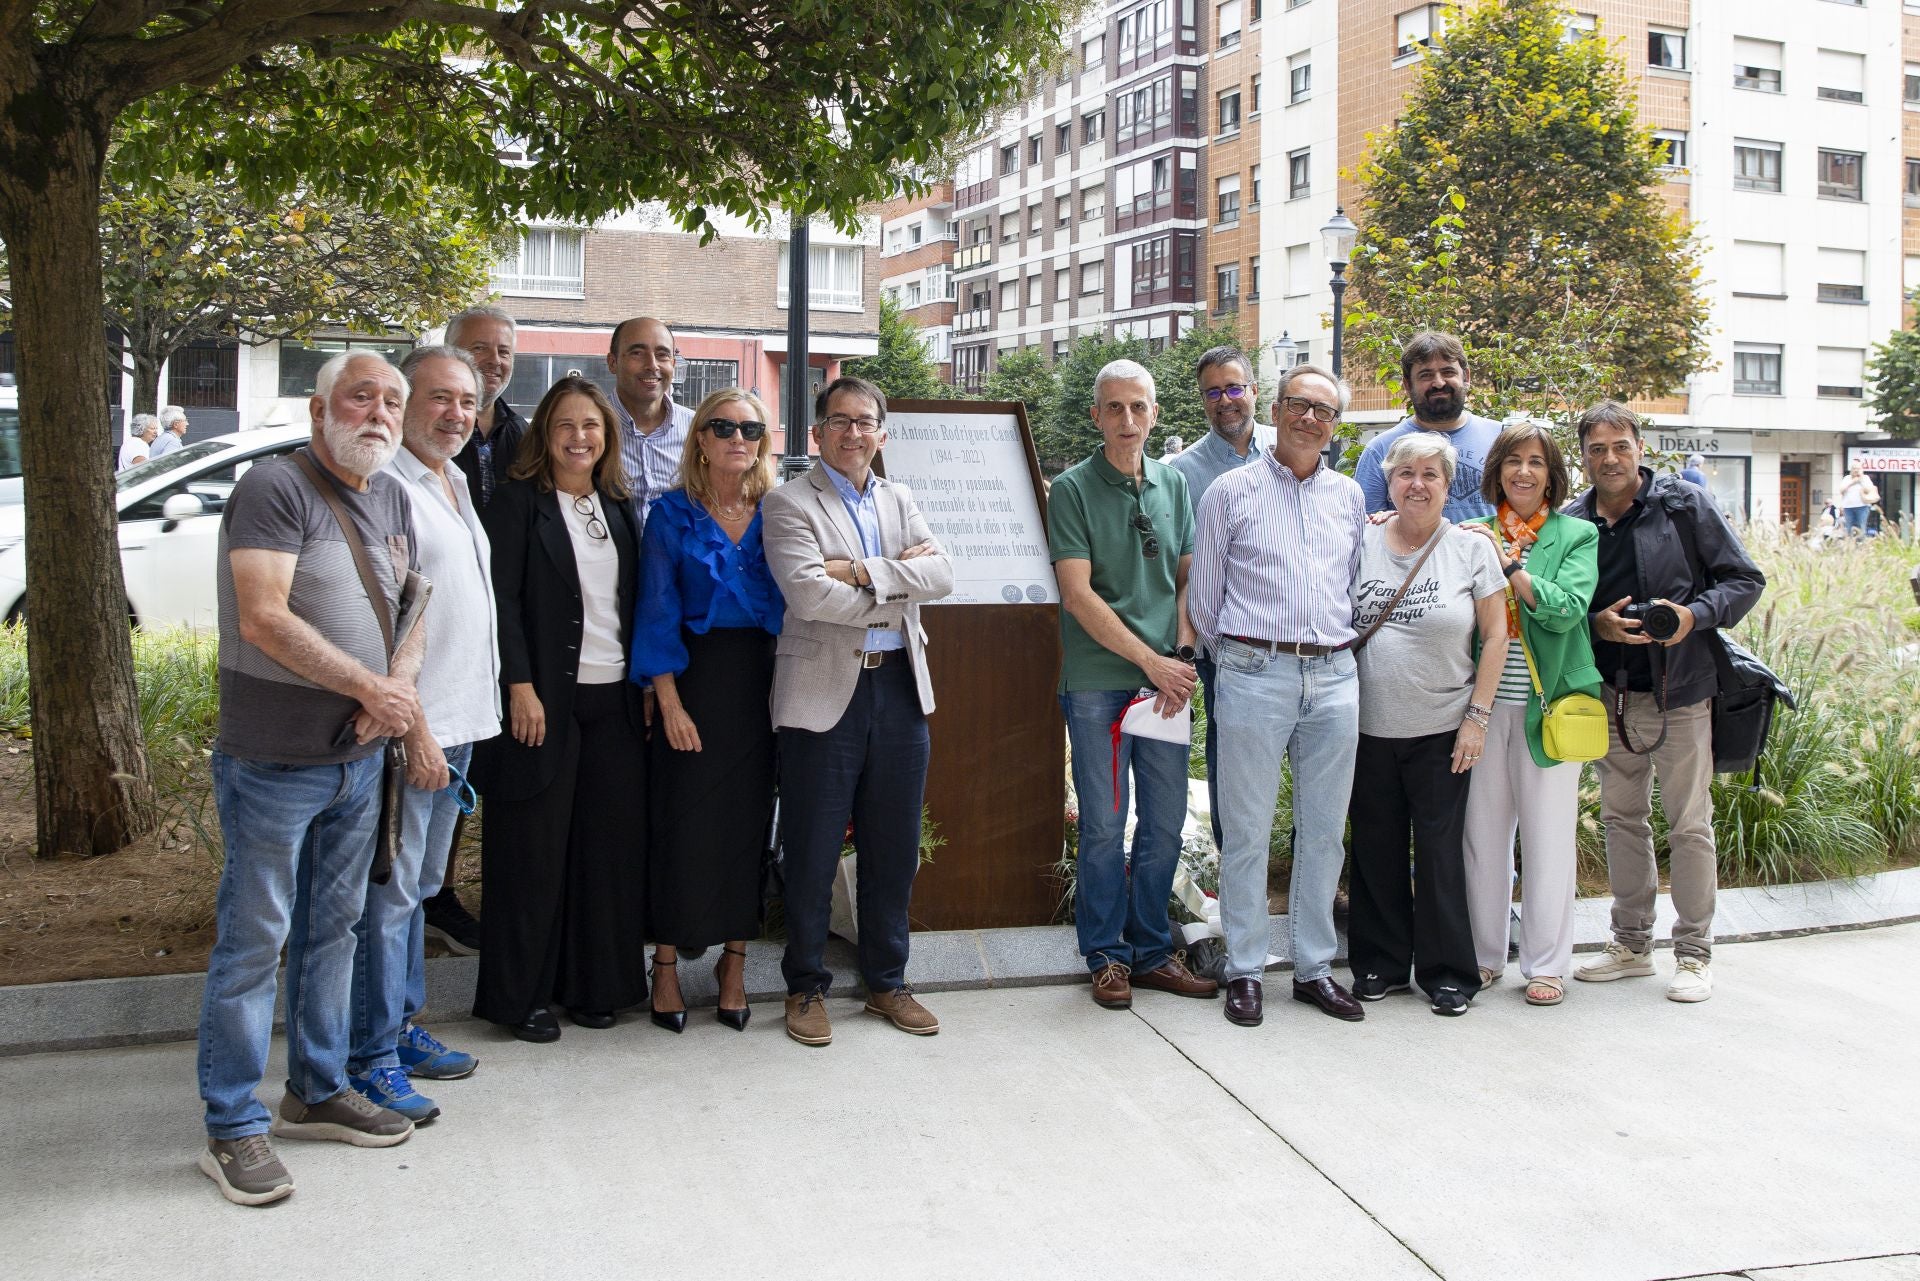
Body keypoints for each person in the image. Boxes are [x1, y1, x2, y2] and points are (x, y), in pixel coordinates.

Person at [195, 352, 422, 1206]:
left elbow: (412, 608)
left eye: (391, 401)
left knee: (337, 932)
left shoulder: (393, 492)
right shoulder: (274, 488)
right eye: (361, 396)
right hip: (274, 761)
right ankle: (233, 1125)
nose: (379, 413)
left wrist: (391, 699)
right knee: (254, 941)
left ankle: (316, 1089)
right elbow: (263, 616)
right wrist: (370, 688)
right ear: (321, 406)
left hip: (359, 759)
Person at [761, 375, 953, 1047]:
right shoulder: (787, 503)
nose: (852, 432)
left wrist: (859, 571)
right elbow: (810, 597)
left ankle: (886, 982)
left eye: (864, 420)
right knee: (812, 847)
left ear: (882, 433)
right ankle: (805, 985)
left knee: (892, 846)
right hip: (822, 695)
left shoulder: (901, 497)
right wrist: (896, 579)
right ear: (817, 433)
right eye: (839, 421)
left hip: (899, 685)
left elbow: (944, 575)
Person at [342, 346, 498, 1125]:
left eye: (467, 402)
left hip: (465, 723)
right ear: (406, 406)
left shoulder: (456, 479)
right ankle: (371, 1054)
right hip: (420, 729)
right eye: (440, 398)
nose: (457, 415)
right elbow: (389, 627)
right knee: (390, 894)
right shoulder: (390, 486)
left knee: (414, 892)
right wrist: (420, 735)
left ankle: (402, 1028)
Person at [1187, 363, 1366, 1028]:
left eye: (1324, 410)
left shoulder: (1348, 498)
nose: (1310, 418)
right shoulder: (1229, 494)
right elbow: (1204, 602)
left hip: (1334, 676)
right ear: (1278, 407)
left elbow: (1353, 585)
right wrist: (1242, 661)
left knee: (1323, 832)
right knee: (1248, 832)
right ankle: (1246, 968)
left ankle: (1316, 967)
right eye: (1300, 404)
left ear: (1333, 425)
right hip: (1254, 672)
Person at [1568, 401, 1764, 1003]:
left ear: (1640, 447)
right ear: (1583, 456)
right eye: (1597, 449)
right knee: (1622, 820)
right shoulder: (1574, 520)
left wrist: (1692, 616)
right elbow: (1561, 603)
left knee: (1689, 824)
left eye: (1619, 445)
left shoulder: (1683, 505)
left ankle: (1694, 952)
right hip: (1611, 695)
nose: (1609, 458)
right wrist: (1596, 625)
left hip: (1680, 690)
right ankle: (1630, 943)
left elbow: (1743, 579)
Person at [472, 376, 649, 1041]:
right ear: (545, 435)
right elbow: (502, 602)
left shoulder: (619, 504)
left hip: (616, 703)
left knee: (604, 854)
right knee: (531, 856)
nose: (581, 437)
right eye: (566, 425)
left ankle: (594, 986)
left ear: (608, 436)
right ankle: (523, 998)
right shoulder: (518, 503)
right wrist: (518, 685)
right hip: (542, 703)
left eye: (593, 426)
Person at [1050, 359, 1217, 1012]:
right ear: (1096, 416)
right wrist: (1152, 662)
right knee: (1104, 824)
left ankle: (1150, 950)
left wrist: (1179, 655)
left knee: (1165, 823)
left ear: (1153, 414)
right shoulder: (1072, 489)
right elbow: (1076, 593)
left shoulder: (1173, 485)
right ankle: (1106, 956)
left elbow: (1189, 579)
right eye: (1113, 408)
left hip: (1164, 685)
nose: (1126, 420)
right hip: (1100, 683)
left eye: (1138, 407)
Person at [631, 388, 784, 1034]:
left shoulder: (777, 511)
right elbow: (655, 612)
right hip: (691, 682)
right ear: (700, 437)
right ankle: (664, 964)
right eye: (722, 426)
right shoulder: (671, 514)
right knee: (682, 826)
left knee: (746, 828)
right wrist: (667, 700)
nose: (737, 438)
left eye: (750, 428)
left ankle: (733, 964)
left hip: (762, 684)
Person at [1348, 432, 1508, 1017]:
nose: (1417, 484)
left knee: (1440, 855)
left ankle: (1447, 974)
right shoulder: (1360, 539)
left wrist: (1477, 718)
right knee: (1374, 849)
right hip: (1364, 729)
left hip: (1443, 727)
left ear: (1448, 484)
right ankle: (1380, 964)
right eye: (1405, 473)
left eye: (1430, 475)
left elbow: (1496, 636)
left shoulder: (1470, 549)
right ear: (1388, 482)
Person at [1458, 423, 1601, 1008]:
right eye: (1513, 460)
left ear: (1552, 472)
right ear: (1497, 470)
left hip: (1551, 711)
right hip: (1482, 708)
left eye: (1536, 462)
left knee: (1547, 840)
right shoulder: (1470, 533)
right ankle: (1484, 956)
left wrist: (1510, 564)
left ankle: (1547, 965)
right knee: (1482, 837)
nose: (1523, 472)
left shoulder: (1577, 534)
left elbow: (1566, 611)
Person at [426, 303, 529, 958]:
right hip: (444, 638)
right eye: (480, 348)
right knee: (443, 778)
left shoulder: (526, 434)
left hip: (511, 633)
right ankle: (431, 896)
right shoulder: (431, 441)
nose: (494, 361)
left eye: (504, 352)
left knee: (497, 774)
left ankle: (501, 899)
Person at [1169, 344, 1266, 853]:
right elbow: (1183, 566)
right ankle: (1235, 868)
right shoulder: (1183, 472)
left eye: (1233, 387)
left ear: (1253, 390)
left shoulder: (1288, 448)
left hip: (1294, 638)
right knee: (1228, 755)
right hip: (1222, 642)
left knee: (1303, 757)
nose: (1225, 400)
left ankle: (1297, 874)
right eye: (1213, 392)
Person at [1354, 332, 1501, 521]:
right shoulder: (1380, 449)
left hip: (1488, 550)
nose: (1439, 382)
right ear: (1407, 385)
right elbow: (1366, 528)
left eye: (1448, 372)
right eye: (1426, 375)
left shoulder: (1501, 438)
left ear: (1466, 376)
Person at [607, 315, 694, 525]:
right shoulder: (590, 429)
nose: (652, 365)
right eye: (637, 353)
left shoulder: (697, 430)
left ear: (673, 364)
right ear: (612, 362)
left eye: (662, 355)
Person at [1838, 462, 1879, 538]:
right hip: (1848, 507)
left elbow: (1869, 489)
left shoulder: (1866, 478)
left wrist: (1860, 480)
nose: (1856, 470)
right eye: (1854, 468)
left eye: (1858, 468)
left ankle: (1861, 546)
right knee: (1849, 528)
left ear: (1862, 470)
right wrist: (1853, 482)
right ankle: (1850, 545)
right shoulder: (1847, 478)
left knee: (1861, 527)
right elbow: (1841, 490)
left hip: (1862, 506)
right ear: (1851, 470)